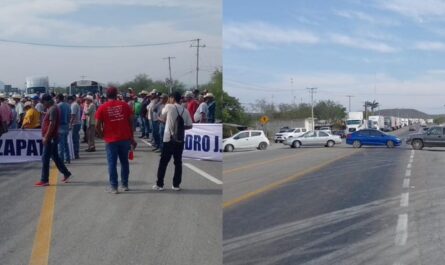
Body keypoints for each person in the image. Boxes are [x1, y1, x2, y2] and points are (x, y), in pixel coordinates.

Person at [95, 87, 135, 194]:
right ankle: (125, 185)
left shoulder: (102, 107)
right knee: (124, 162)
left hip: (111, 140)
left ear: (106, 95)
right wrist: (132, 137)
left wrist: (102, 135)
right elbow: (131, 122)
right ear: (116, 94)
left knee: (112, 163)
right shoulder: (125, 105)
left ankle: (114, 187)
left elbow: (97, 125)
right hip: (125, 139)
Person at [153, 91, 193, 191]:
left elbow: (162, 116)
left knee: (163, 162)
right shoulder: (185, 110)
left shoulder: (169, 106)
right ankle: (176, 185)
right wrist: (179, 128)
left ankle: (159, 184)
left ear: (172, 98)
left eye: (170, 98)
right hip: (180, 139)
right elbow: (190, 126)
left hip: (168, 138)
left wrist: (161, 120)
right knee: (178, 162)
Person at [35, 94, 72, 187]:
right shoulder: (53, 108)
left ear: (47, 101)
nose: (43, 104)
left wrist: (46, 137)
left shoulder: (53, 109)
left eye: (43, 102)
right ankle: (66, 173)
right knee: (55, 157)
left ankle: (44, 180)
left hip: (51, 137)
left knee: (45, 158)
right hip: (53, 137)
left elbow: (52, 124)